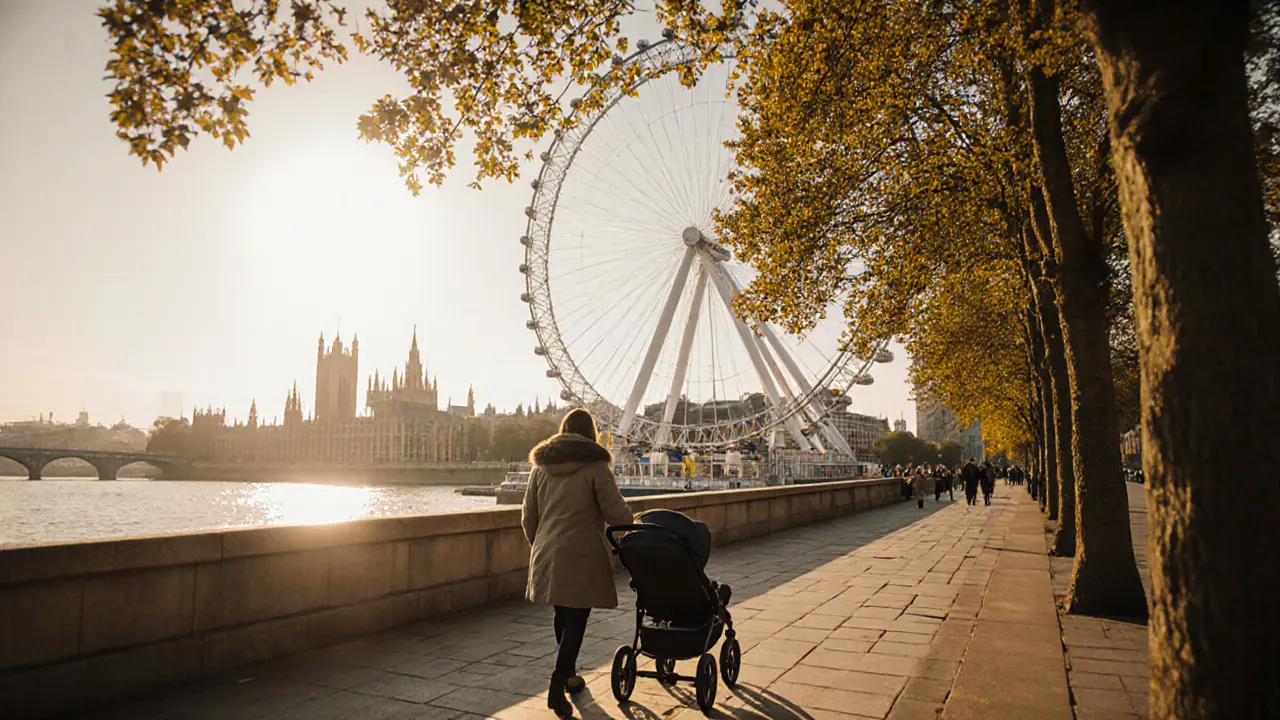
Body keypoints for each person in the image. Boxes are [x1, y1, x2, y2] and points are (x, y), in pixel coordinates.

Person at [522, 408, 634, 718]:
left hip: (548, 552)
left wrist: (540, 545)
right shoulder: (595, 466)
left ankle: (570, 677)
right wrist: (631, 520)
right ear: (591, 434)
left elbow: (528, 517)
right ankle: (558, 683)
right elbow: (616, 514)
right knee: (577, 618)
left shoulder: (540, 467)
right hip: (582, 553)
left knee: (562, 613)